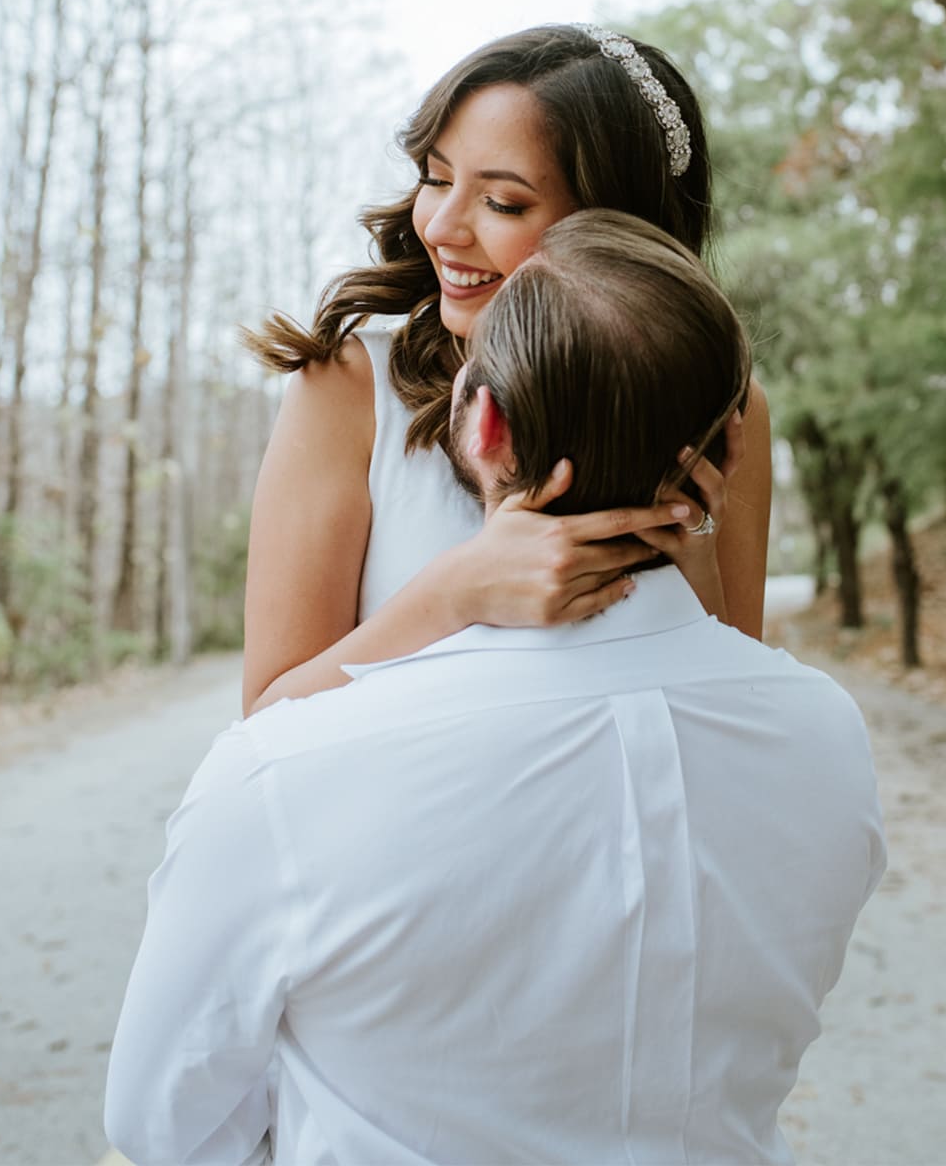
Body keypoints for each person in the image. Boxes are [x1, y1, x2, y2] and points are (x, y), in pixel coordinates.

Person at [105, 211, 885, 1166]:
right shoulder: (826, 736)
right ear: (724, 449)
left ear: (481, 425)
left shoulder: (288, 771)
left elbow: (159, 1127)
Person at [240, 23, 774, 714]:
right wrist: (456, 593)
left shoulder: (726, 410)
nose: (439, 227)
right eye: (434, 179)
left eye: (502, 202)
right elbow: (266, 715)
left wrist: (693, 568)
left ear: (612, 227)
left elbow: (736, 717)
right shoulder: (348, 387)